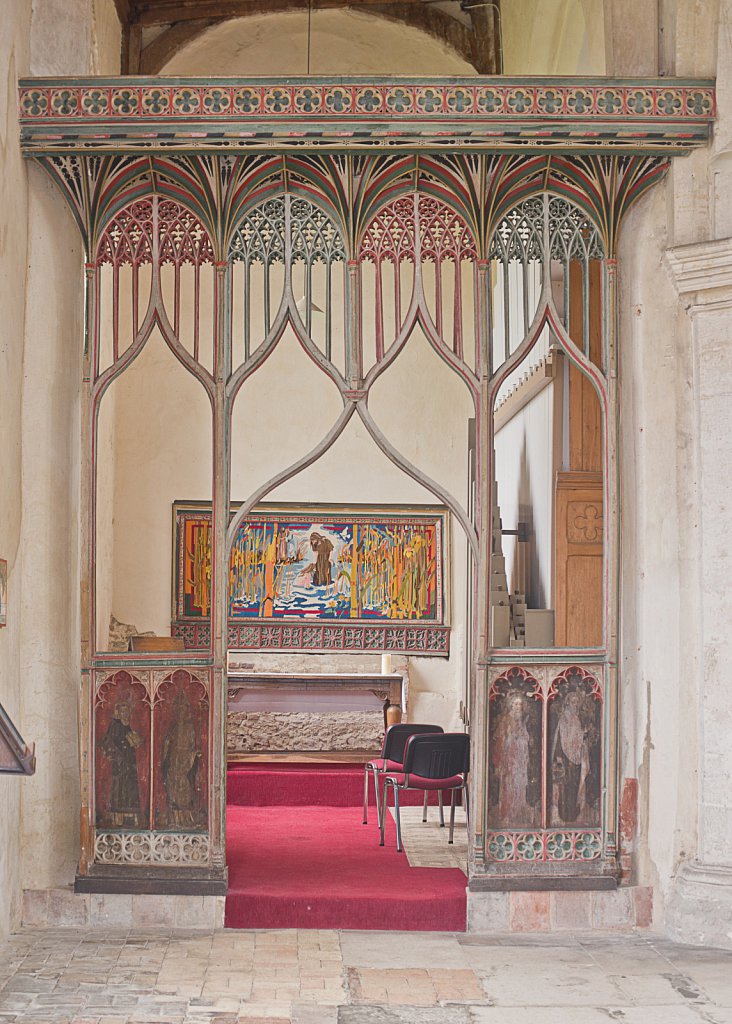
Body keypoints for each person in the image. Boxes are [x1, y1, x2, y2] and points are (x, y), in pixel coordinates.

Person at [99, 698, 143, 827]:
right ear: (118, 712)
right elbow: (109, 742)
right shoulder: (115, 725)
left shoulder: (126, 726)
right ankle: (118, 818)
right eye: (122, 711)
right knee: (120, 789)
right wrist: (123, 747)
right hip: (120, 764)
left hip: (129, 763)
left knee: (130, 788)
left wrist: (135, 740)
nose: (125, 714)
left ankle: (130, 817)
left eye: (127, 711)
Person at [161, 690, 201, 828]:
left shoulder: (190, 727)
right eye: (178, 709)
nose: (180, 712)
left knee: (184, 787)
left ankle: (187, 818)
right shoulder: (174, 726)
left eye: (183, 709)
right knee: (173, 786)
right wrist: (167, 746)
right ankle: (176, 818)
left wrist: (192, 756)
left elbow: (192, 745)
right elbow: (168, 743)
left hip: (184, 760)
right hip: (174, 759)